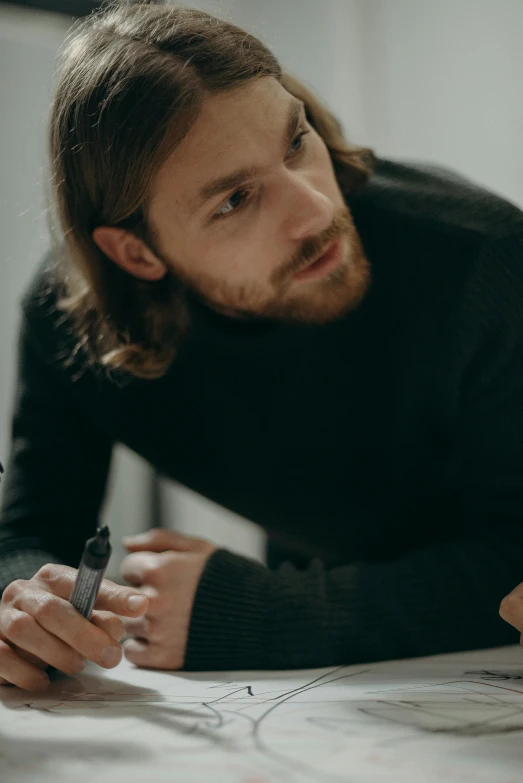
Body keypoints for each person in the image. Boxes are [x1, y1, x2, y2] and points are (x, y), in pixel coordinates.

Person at [1, 0, 523, 693]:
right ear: (135, 252)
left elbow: (514, 562)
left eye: (294, 141)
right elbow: (28, 536)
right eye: (234, 200)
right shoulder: (71, 318)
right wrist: (23, 605)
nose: (314, 208)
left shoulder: (482, 261)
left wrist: (255, 612)